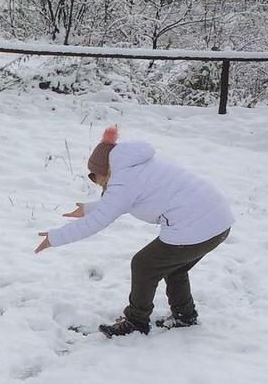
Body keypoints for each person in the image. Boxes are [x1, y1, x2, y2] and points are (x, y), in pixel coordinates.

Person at [34, 125, 233, 337]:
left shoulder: (123, 182)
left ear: (105, 170)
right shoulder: (136, 165)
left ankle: (136, 322)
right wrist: (86, 209)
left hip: (195, 226)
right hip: (218, 223)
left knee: (144, 264)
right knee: (174, 267)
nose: (94, 180)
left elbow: (100, 220)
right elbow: (119, 202)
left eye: (94, 175)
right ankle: (184, 316)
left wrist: (54, 238)